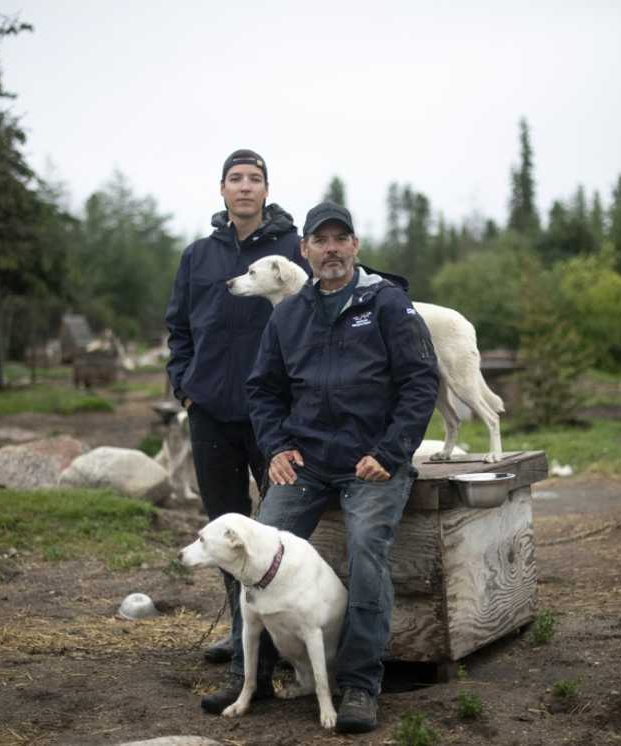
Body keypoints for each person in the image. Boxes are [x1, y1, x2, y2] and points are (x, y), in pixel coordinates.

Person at [199, 201, 440, 734]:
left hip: (372, 461)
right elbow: (263, 388)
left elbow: (421, 382)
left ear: (355, 245)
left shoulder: (387, 303)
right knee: (258, 547)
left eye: (340, 239)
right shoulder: (289, 312)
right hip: (304, 462)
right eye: (319, 240)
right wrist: (278, 447)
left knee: (365, 550)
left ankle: (358, 684)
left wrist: (390, 452)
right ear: (303, 249)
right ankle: (251, 676)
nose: (330, 249)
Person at [164, 149, 308, 664]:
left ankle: (283, 637)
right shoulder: (198, 256)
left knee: (278, 526)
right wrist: (184, 386)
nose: (245, 186)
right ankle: (239, 632)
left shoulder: (294, 249)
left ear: (266, 190)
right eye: (235, 179)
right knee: (225, 525)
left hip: (275, 416)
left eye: (255, 179)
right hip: (211, 411)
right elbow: (178, 328)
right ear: (222, 190)